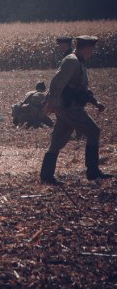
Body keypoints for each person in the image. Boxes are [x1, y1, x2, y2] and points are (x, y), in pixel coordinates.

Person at [40, 35, 110, 184]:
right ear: (86, 48)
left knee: (57, 141)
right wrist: (51, 103)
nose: (91, 53)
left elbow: (82, 88)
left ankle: (46, 175)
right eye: (90, 49)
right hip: (69, 108)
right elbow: (57, 83)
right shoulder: (72, 61)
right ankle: (92, 172)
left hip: (66, 108)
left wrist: (95, 102)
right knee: (93, 131)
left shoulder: (78, 61)